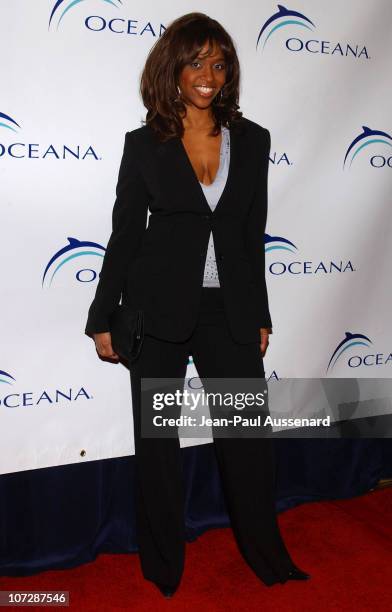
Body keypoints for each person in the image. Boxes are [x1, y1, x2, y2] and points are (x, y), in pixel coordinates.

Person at [85, 12, 310, 599]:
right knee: (158, 448)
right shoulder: (145, 144)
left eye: (218, 63)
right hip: (157, 311)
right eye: (195, 62)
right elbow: (126, 233)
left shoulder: (254, 139)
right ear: (173, 69)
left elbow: (251, 234)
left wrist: (259, 313)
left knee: (246, 442)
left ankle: (267, 555)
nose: (208, 75)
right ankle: (163, 567)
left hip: (229, 310)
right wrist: (103, 316)